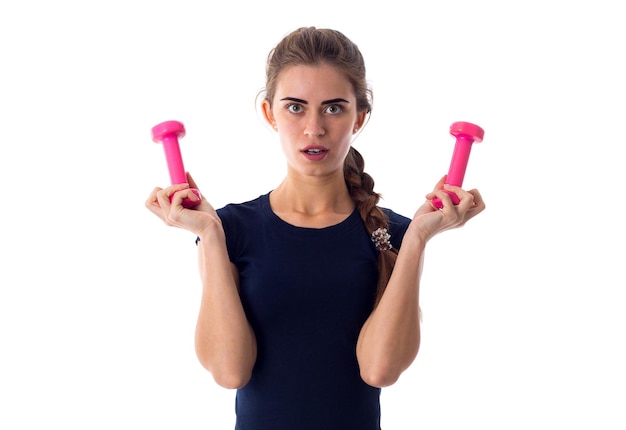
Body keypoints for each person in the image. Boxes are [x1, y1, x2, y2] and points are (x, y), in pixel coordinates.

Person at [146, 26, 485, 430]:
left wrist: (417, 240)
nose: (314, 128)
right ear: (270, 112)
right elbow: (229, 371)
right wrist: (211, 237)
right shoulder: (229, 229)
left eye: (333, 108)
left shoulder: (392, 232)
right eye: (295, 107)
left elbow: (380, 370)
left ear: (359, 116)